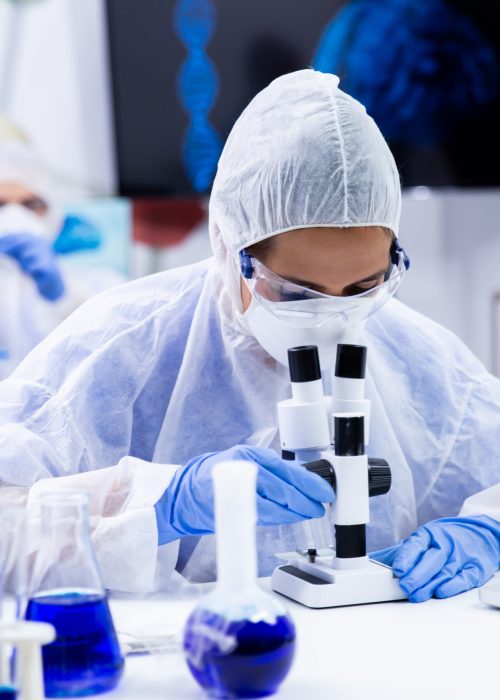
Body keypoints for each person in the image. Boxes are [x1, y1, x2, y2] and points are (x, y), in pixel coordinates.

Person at [0, 69, 498, 599]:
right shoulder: (120, 347)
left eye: (362, 287)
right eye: (297, 292)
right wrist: (158, 504)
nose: (330, 318)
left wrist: (487, 528)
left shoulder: (423, 358)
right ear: (228, 249)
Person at [0, 134, 125, 378]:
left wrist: (62, 297)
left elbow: (111, 357)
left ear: (53, 211)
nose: (15, 214)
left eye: (31, 205)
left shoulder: (100, 286)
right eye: (0, 205)